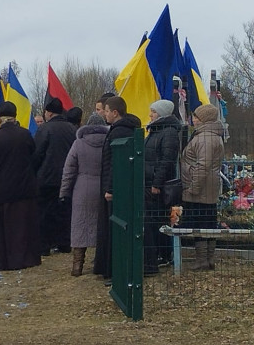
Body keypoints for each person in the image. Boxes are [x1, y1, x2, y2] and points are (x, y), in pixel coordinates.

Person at [0, 101, 41, 271]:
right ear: (15, 116)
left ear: (0, 118)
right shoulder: (26, 135)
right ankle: (26, 259)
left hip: (2, 190)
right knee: (23, 227)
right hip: (24, 189)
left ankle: (3, 261)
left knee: (2, 230)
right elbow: (34, 158)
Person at [93, 96, 142, 279]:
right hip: (114, 186)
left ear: (115, 112)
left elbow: (116, 163)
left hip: (117, 189)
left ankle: (116, 269)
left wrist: (110, 188)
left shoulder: (120, 132)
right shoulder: (118, 130)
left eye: (105, 111)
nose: (104, 114)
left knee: (116, 230)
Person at [59, 112, 109, 276]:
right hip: (104, 187)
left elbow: (69, 170)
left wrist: (64, 191)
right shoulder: (110, 142)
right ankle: (100, 264)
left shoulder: (78, 144)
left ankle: (77, 266)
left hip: (82, 188)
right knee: (101, 225)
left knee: (80, 225)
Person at [180, 103, 226, 271]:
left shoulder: (205, 138)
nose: (193, 119)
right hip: (209, 186)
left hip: (200, 187)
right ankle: (208, 258)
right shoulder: (212, 135)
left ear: (203, 119)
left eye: (196, 117)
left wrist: (193, 188)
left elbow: (203, 166)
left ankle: (202, 260)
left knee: (200, 222)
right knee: (208, 221)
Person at [33, 97, 77, 255]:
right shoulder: (72, 129)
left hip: (47, 177)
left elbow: (37, 154)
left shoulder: (45, 129)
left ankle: (44, 246)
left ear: (49, 112)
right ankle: (65, 243)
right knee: (64, 212)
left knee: (44, 213)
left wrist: (34, 171)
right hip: (68, 177)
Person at [143, 99, 182, 275]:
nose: (150, 115)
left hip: (157, 185)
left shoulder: (168, 132)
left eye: (154, 112)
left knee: (158, 220)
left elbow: (167, 160)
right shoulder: (155, 130)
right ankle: (157, 253)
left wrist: (157, 183)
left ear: (162, 114)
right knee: (152, 220)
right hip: (150, 181)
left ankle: (163, 253)